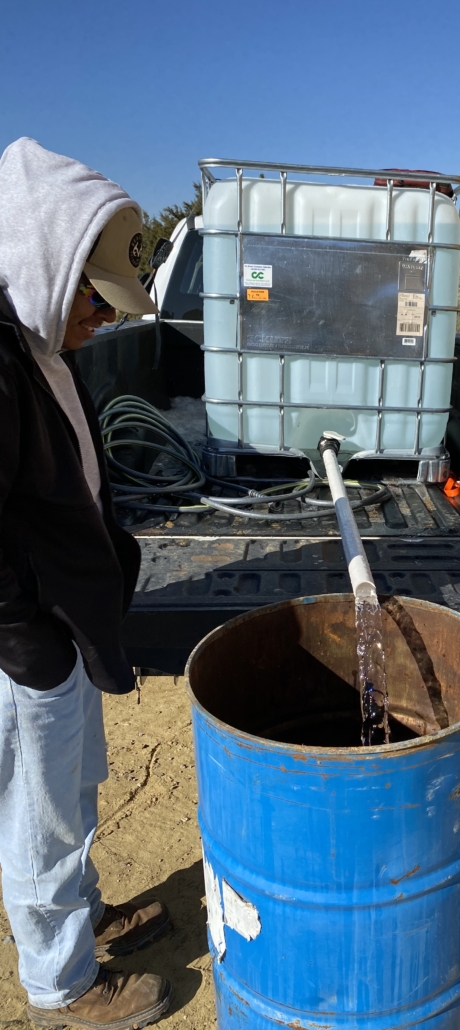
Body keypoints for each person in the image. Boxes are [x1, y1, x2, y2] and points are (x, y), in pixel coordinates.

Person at [0, 138, 172, 1027]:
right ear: (41, 262)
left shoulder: (34, 347)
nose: (99, 320)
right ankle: (61, 987)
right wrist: (25, 640)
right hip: (26, 645)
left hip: (59, 628)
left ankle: (83, 918)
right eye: (89, 298)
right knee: (37, 816)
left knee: (69, 790)